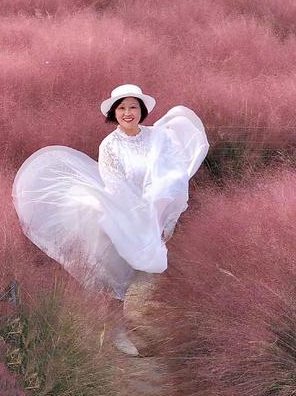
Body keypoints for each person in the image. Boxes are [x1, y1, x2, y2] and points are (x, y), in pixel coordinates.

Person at [12, 84, 209, 355]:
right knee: (111, 276)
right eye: (122, 107)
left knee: (129, 276)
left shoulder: (158, 139)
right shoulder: (110, 145)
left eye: (133, 107)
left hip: (151, 215)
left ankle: (125, 328)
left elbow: (172, 179)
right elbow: (116, 186)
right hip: (119, 212)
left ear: (141, 110)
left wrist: (165, 219)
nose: (128, 112)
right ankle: (112, 331)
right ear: (114, 113)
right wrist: (138, 212)